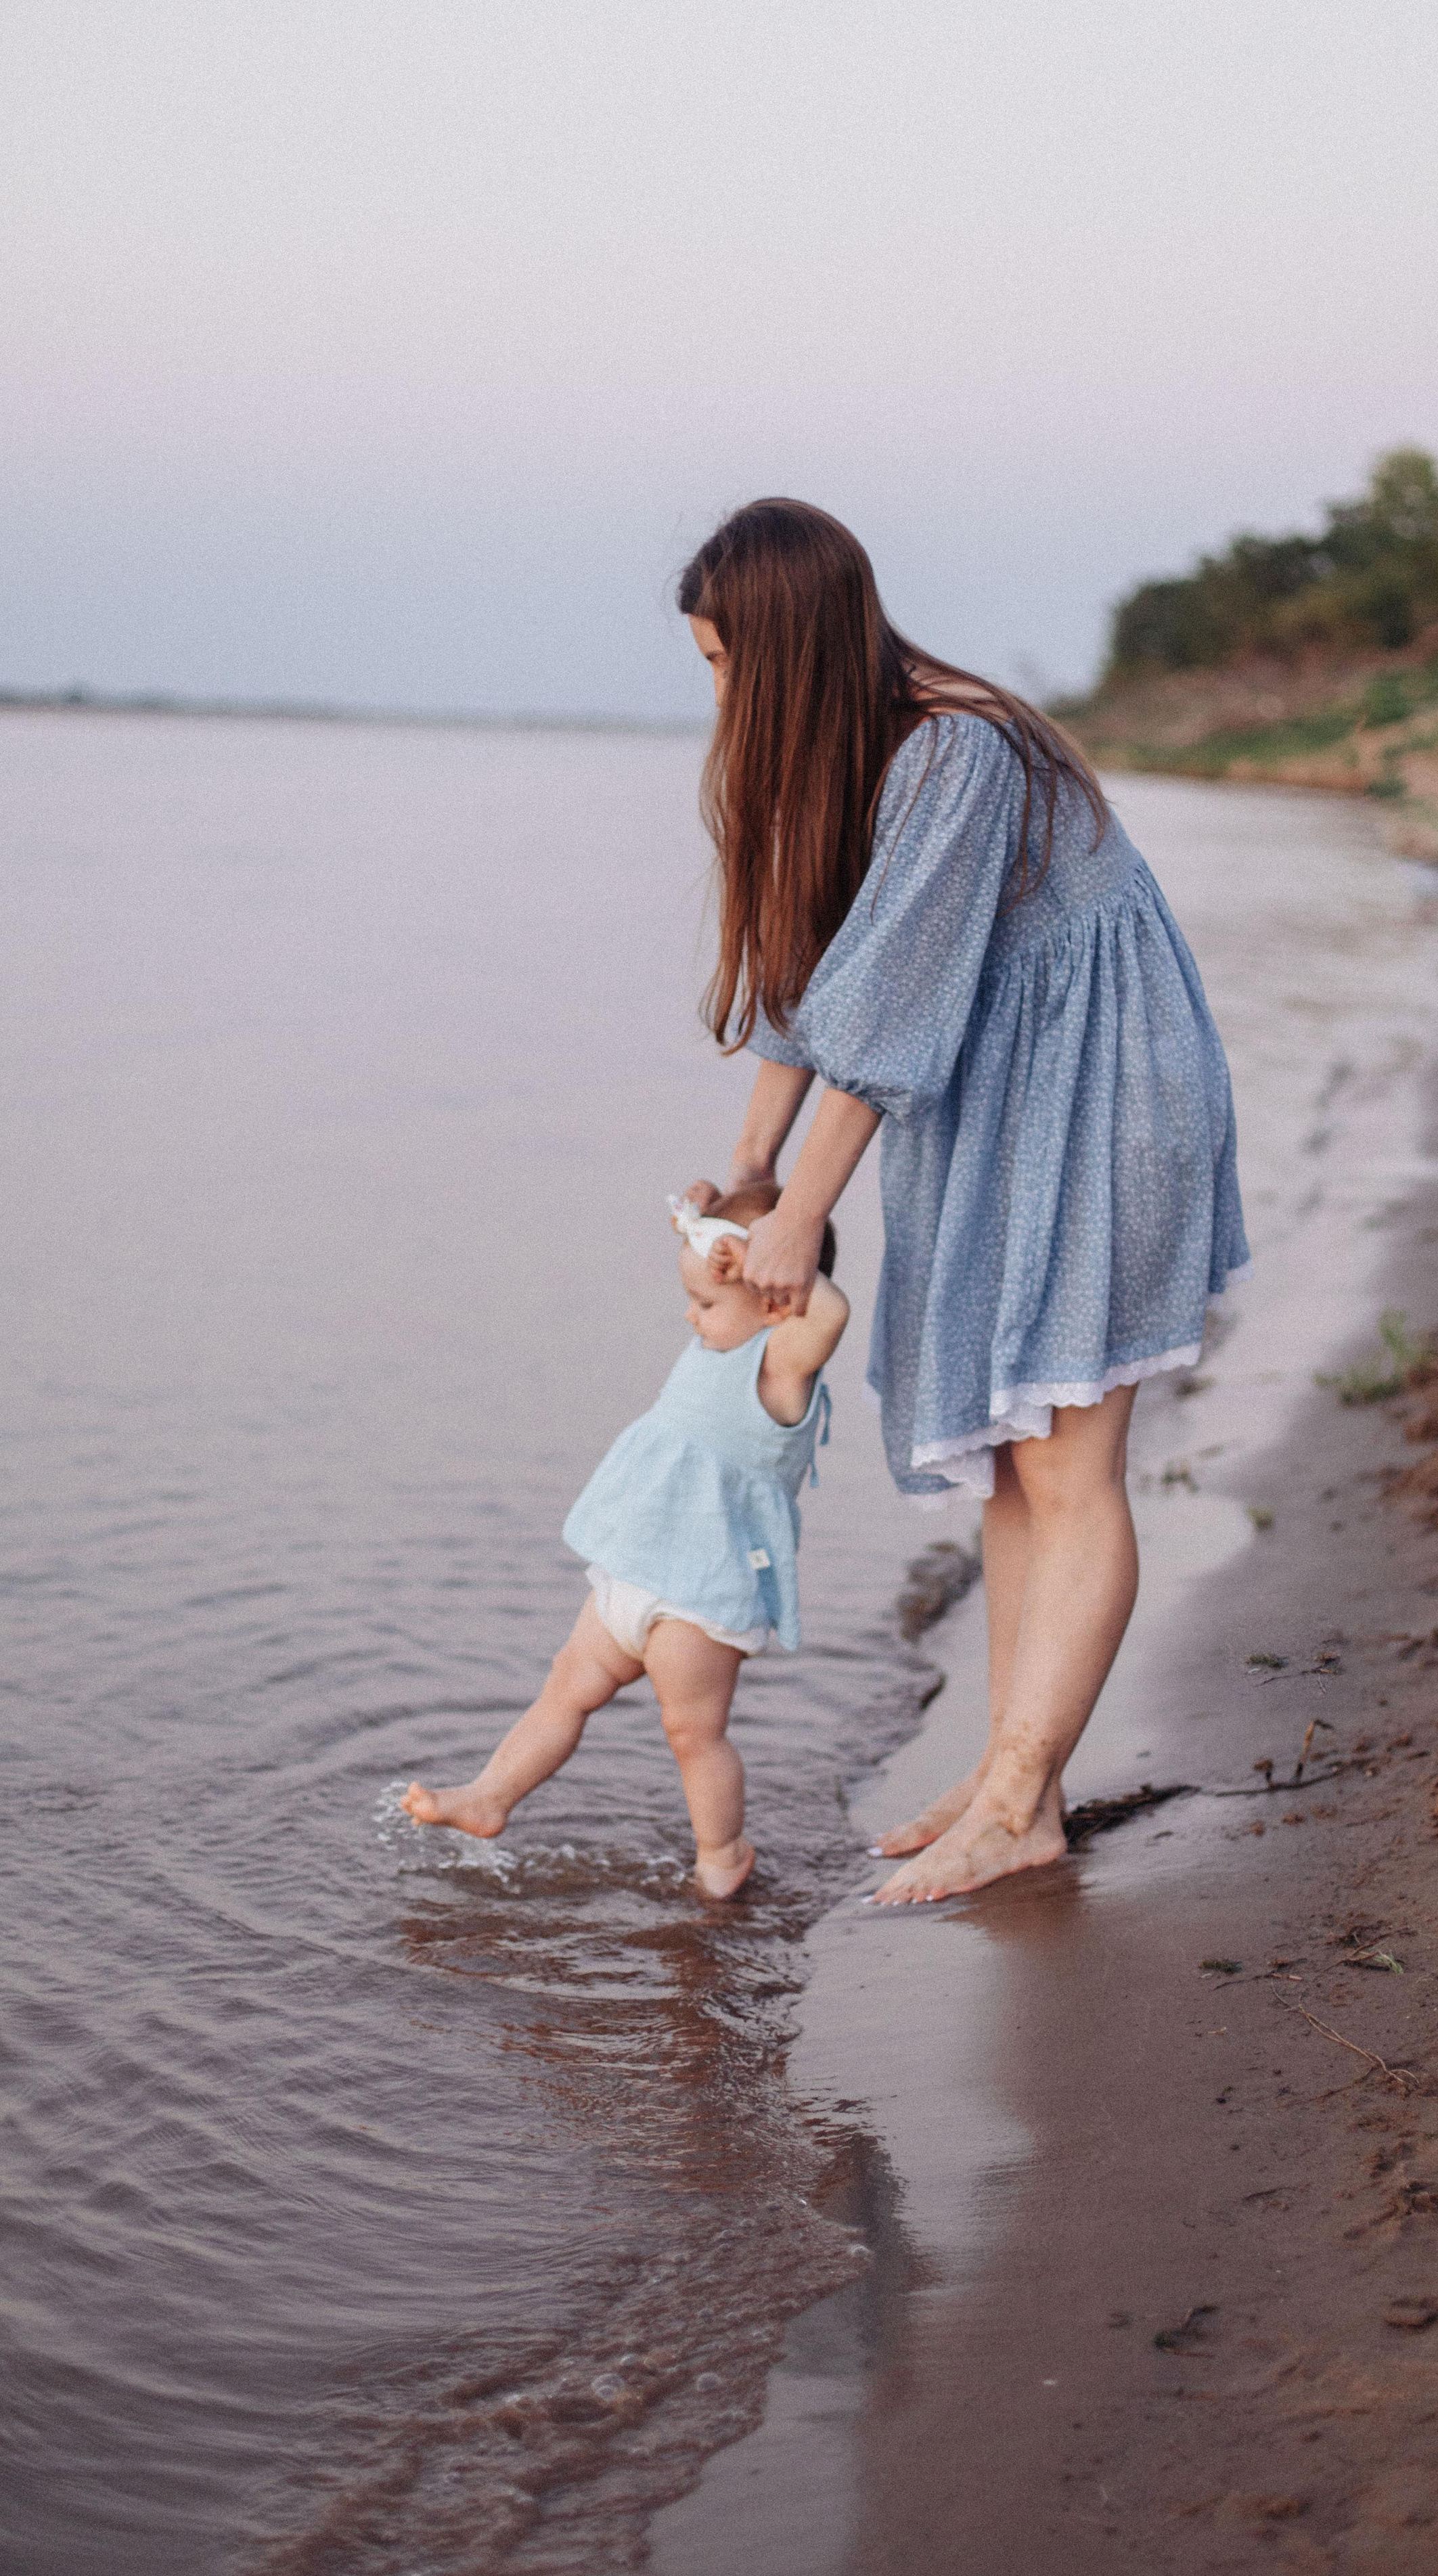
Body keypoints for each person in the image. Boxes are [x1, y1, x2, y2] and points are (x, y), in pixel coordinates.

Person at [675, 499, 1247, 1907]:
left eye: (725, 660)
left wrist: (804, 1215)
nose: (721, 693)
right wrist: (752, 1177)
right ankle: (1018, 1777)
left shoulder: (958, 749)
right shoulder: (860, 756)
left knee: (1068, 1464)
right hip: (1001, 1106)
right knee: (1010, 1458)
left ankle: (1015, 1799)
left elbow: (888, 1018)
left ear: (789, 648)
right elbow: (823, 982)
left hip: (1100, 1097)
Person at [401, 1185, 847, 1897]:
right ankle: (489, 1798)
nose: (690, 1316)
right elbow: (741, 1217)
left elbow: (831, 1310)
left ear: (774, 1300)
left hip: (699, 1595)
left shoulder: (781, 1365)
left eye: (704, 1304)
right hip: (632, 1570)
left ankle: (722, 1852)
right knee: (565, 1689)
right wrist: (713, 1209)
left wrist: (782, 1249)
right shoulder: (720, 1339)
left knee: (690, 1732)